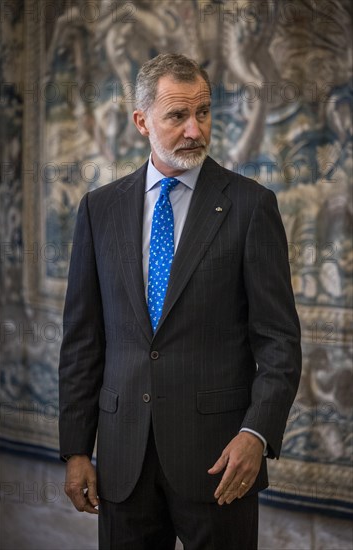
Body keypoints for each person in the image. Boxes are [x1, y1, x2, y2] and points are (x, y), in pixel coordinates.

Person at [59, 53, 301, 550]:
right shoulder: (98, 209)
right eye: (177, 116)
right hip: (123, 462)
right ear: (141, 121)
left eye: (204, 112)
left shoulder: (251, 206)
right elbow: (83, 340)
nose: (196, 129)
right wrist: (76, 449)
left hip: (220, 464)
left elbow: (279, 343)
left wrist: (256, 435)